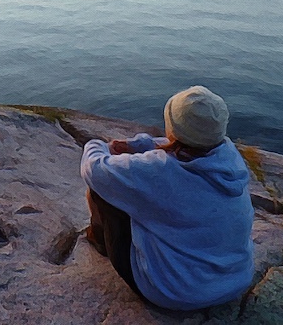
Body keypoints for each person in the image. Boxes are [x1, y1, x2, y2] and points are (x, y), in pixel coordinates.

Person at [80, 85, 254, 311]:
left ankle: (99, 240)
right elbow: (186, 146)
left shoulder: (159, 171)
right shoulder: (230, 158)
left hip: (175, 292)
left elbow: (94, 169)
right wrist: (140, 145)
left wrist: (97, 144)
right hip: (235, 281)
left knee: (106, 189)